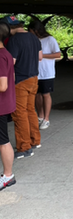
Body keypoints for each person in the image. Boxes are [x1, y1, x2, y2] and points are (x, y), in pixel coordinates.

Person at [1, 16, 42, 159]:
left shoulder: (14, 40)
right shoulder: (33, 37)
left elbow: (10, 63)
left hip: (20, 81)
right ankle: (35, 140)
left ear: (9, 27)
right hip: (33, 78)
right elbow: (40, 57)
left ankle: (24, 147)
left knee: (19, 114)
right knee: (30, 110)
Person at [28, 20, 61, 130]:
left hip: (47, 72)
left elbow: (58, 54)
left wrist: (42, 55)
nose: (30, 33)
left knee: (46, 94)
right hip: (35, 71)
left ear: (36, 31)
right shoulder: (33, 40)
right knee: (37, 94)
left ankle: (46, 118)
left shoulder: (50, 39)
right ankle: (40, 116)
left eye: (31, 31)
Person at [0, 22, 17, 190]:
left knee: (3, 141)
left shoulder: (0, 56)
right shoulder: (6, 53)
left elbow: (3, 85)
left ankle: (7, 176)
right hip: (5, 104)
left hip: (0, 106)